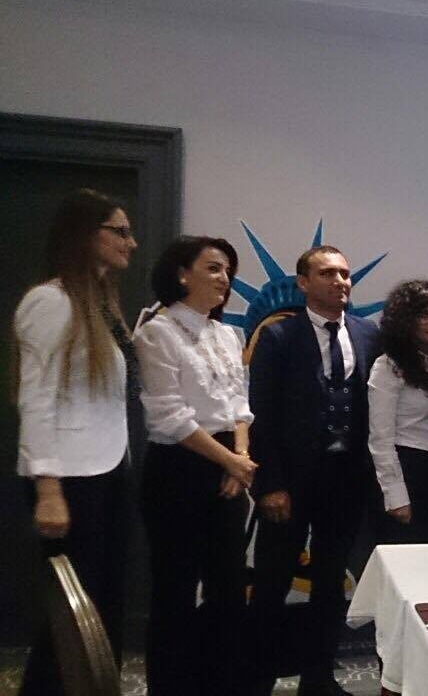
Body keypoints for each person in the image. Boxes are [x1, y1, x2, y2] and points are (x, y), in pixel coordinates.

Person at [15, 189, 137, 695]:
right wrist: (48, 489)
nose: (131, 242)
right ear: (87, 235)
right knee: (69, 616)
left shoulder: (102, 305)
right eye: (120, 231)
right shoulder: (50, 301)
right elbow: (36, 398)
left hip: (107, 470)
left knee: (101, 607)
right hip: (69, 479)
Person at [247, 246, 380, 696]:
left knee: (330, 584)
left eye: (345, 274)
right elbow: (261, 414)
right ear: (304, 282)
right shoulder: (279, 336)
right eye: (328, 274)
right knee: (272, 582)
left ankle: (318, 679)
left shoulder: (367, 334)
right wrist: (270, 484)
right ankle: (257, 681)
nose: (340, 281)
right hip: (289, 482)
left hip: (345, 479)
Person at [133, 236, 256, 695]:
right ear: (182, 274)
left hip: (229, 464)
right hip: (178, 468)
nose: (224, 279)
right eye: (213, 268)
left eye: (228, 271)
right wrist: (230, 461)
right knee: (175, 592)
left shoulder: (227, 334)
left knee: (228, 588)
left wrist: (239, 458)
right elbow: (170, 416)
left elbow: (239, 405)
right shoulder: (157, 332)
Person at [367, 280, 428, 544]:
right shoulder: (388, 366)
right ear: (405, 321)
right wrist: (396, 495)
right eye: (425, 316)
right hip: (404, 468)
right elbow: (380, 439)